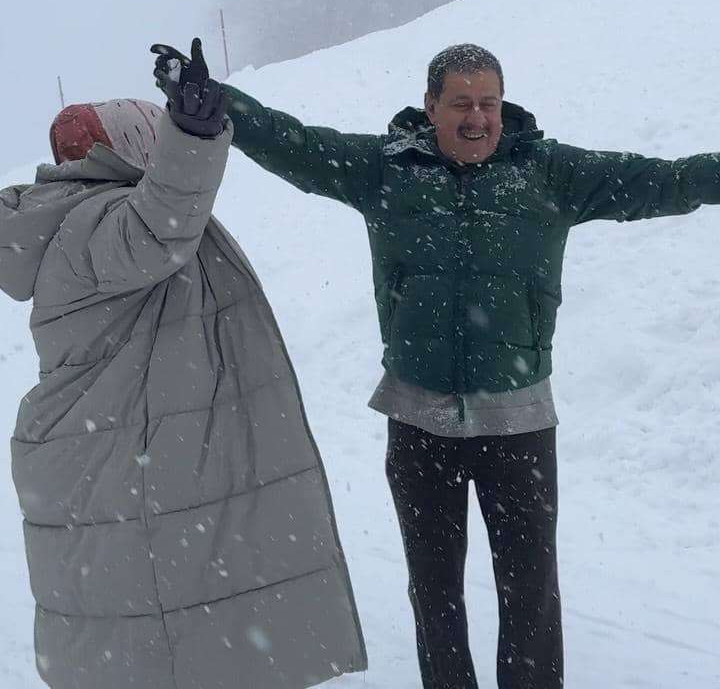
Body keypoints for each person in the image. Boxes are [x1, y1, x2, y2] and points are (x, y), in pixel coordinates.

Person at [153, 39, 720, 689]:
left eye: (489, 103)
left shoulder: (549, 172)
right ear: (430, 107)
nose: (477, 117)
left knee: (530, 592)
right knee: (435, 592)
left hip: (518, 424)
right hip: (419, 424)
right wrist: (224, 104)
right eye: (461, 103)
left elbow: (666, 180)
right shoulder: (385, 170)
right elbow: (296, 144)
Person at [0, 68, 366, 689]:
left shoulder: (80, 220)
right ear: (134, 147)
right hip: (130, 469)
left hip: (128, 462)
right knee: (162, 633)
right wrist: (192, 136)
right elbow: (159, 225)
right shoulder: (97, 222)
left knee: (165, 628)